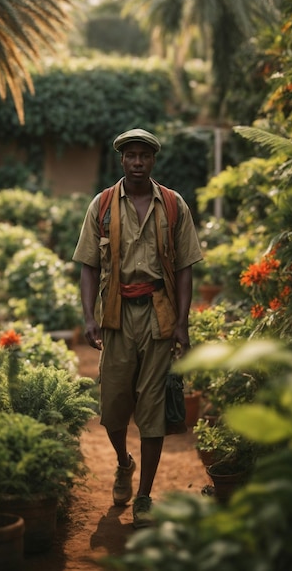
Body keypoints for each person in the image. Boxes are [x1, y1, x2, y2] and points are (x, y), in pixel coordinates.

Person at [72, 128, 202, 529]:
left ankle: (144, 495)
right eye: (131, 155)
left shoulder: (174, 205)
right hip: (116, 313)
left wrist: (181, 322)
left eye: (144, 155)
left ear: (154, 160)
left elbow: (183, 270)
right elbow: (88, 266)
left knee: (153, 408)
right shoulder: (104, 205)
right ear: (122, 160)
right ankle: (122, 462)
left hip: (159, 315)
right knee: (112, 406)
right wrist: (89, 317)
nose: (138, 162)